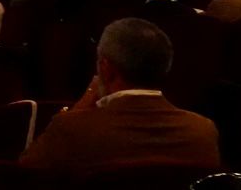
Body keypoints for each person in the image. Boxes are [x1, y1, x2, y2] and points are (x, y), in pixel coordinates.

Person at [21, 18, 219, 176]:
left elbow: (24, 177)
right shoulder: (203, 132)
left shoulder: (73, 129)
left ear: (105, 68)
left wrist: (77, 109)